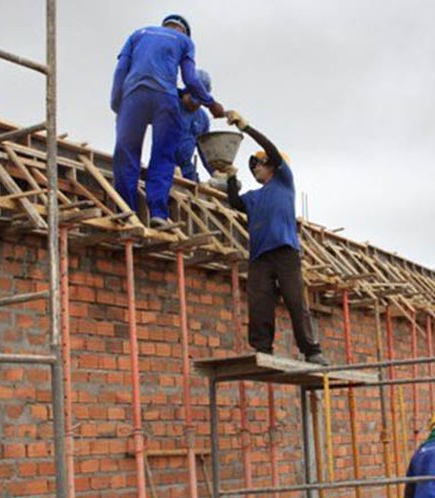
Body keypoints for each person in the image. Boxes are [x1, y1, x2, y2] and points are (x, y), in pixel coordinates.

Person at [224, 110, 328, 366]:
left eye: (259, 164)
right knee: (259, 303)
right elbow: (235, 201)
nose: (256, 169)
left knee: (295, 300)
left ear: (271, 165)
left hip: (285, 252)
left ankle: (311, 350)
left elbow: (269, 147)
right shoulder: (254, 196)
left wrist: (246, 128)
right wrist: (230, 176)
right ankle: (262, 347)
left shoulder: (283, 181)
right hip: (260, 257)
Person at [111, 14, 225, 229]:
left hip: (133, 96)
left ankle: (126, 211)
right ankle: (158, 214)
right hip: (165, 97)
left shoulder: (137, 34)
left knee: (126, 153)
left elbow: (120, 71)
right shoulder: (184, 42)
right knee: (163, 157)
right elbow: (190, 79)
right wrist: (211, 103)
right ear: (184, 32)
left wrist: (118, 104)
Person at [175, 69, 213, 183]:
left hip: (186, 169)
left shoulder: (203, 119)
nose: (195, 104)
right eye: (192, 100)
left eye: (199, 101)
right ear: (186, 91)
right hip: (163, 162)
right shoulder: (171, 103)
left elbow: (205, 152)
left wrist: (216, 173)